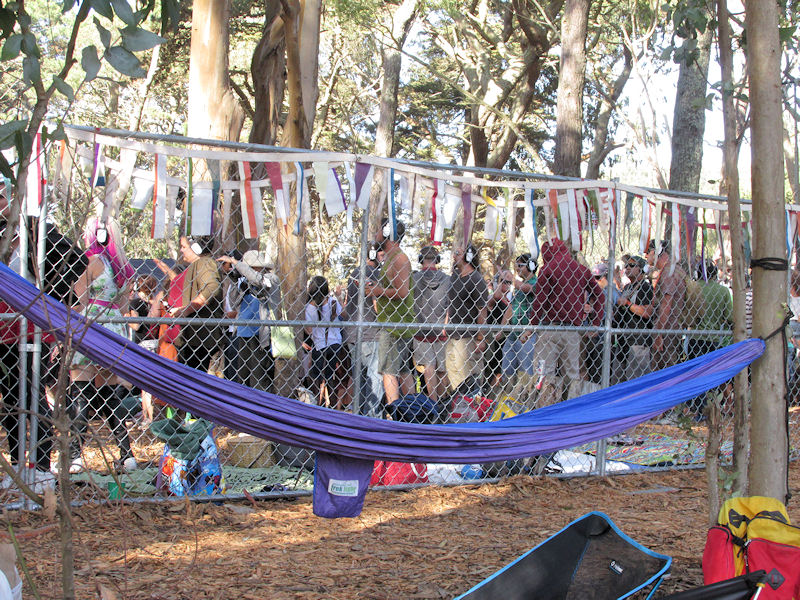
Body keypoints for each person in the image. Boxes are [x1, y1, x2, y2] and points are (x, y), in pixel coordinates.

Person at [68, 217, 137, 473]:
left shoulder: (93, 261)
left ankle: (75, 456)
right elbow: (122, 306)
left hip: (90, 326)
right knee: (109, 394)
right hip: (113, 330)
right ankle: (127, 454)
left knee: (81, 392)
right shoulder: (122, 268)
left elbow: (80, 296)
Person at [525, 238, 604, 407]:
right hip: (572, 331)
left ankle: (544, 411)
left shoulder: (548, 268)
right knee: (572, 374)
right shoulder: (581, 269)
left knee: (544, 372)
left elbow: (540, 300)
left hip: (549, 328)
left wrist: (532, 325)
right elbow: (599, 294)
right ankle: (569, 411)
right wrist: (595, 322)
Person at [366, 219, 415, 405]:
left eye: (378, 230)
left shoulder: (399, 259)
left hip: (395, 327)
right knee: (403, 370)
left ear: (387, 233)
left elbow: (402, 292)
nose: (375, 235)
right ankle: (412, 414)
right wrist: (375, 289)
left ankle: (395, 416)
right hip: (395, 324)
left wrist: (377, 291)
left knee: (388, 372)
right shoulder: (392, 259)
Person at [217, 250, 281, 393]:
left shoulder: (271, 278)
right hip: (244, 333)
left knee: (259, 378)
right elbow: (234, 303)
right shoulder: (244, 282)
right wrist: (233, 278)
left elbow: (258, 280)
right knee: (243, 377)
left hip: (261, 335)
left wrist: (235, 262)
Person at [170, 236, 222, 374]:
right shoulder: (197, 265)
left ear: (196, 248)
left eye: (184, 247)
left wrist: (186, 310)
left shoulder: (204, 263)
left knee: (191, 379)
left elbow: (212, 288)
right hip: (194, 336)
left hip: (199, 338)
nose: (181, 250)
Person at [343, 242, 383, 417]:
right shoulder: (375, 274)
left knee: (359, 379)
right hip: (370, 333)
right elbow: (377, 306)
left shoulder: (353, 274)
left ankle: (358, 416)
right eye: (381, 254)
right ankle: (373, 418)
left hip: (352, 333)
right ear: (374, 254)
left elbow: (345, 308)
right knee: (374, 379)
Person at [446, 243, 488, 392]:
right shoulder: (455, 276)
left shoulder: (476, 279)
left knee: (466, 376)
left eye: (458, 252)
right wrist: (446, 325)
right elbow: (450, 302)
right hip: (453, 333)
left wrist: (480, 338)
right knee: (452, 373)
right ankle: (459, 406)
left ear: (468, 256)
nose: (454, 256)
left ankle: (470, 406)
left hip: (468, 336)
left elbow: (482, 310)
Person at [412, 245, 450, 401]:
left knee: (428, 367)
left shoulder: (414, 279)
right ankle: (443, 402)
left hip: (421, 329)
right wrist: (446, 325)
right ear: (437, 260)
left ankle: (433, 402)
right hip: (441, 329)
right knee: (442, 368)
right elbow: (450, 305)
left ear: (421, 260)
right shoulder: (448, 280)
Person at [499, 254, 538, 404]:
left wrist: (513, 280)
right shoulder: (518, 288)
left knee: (525, 372)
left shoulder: (536, 282)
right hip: (512, 335)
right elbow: (511, 307)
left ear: (531, 266)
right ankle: (506, 402)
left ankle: (523, 403)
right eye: (516, 265)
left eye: (520, 265)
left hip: (527, 335)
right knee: (507, 370)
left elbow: (529, 289)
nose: (517, 268)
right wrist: (501, 329)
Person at [303, 276, 345, 409]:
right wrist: (339, 298)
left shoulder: (309, 307)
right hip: (335, 343)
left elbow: (309, 330)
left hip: (320, 344)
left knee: (316, 376)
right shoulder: (333, 302)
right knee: (330, 375)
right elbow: (344, 314)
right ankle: (331, 405)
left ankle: (316, 404)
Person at [613, 255, 654, 382]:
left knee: (635, 379)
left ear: (641, 268)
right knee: (617, 378)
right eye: (626, 266)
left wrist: (628, 304)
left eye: (632, 265)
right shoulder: (627, 287)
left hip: (638, 341)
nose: (627, 268)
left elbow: (647, 312)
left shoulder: (645, 287)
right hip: (623, 340)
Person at [127, 274, 160, 425]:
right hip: (156, 342)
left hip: (142, 344)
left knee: (144, 385)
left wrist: (126, 316)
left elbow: (136, 326)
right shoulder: (155, 302)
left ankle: (148, 418)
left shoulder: (135, 302)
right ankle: (150, 416)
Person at [651, 240, 686, 371]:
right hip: (673, 328)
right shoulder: (677, 270)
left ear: (656, 252)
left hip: (667, 331)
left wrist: (659, 333)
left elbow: (667, 303)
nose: (646, 257)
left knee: (663, 370)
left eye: (648, 252)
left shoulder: (668, 273)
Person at [484, 271, 511, 388]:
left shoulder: (512, 299)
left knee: (500, 368)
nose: (506, 285)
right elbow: (494, 298)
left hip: (504, 340)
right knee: (489, 366)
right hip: (491, 339)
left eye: (509, 282)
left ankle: (494, 392)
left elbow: (511, 308)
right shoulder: (494, 297)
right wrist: (498, 283)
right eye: (504, 282)